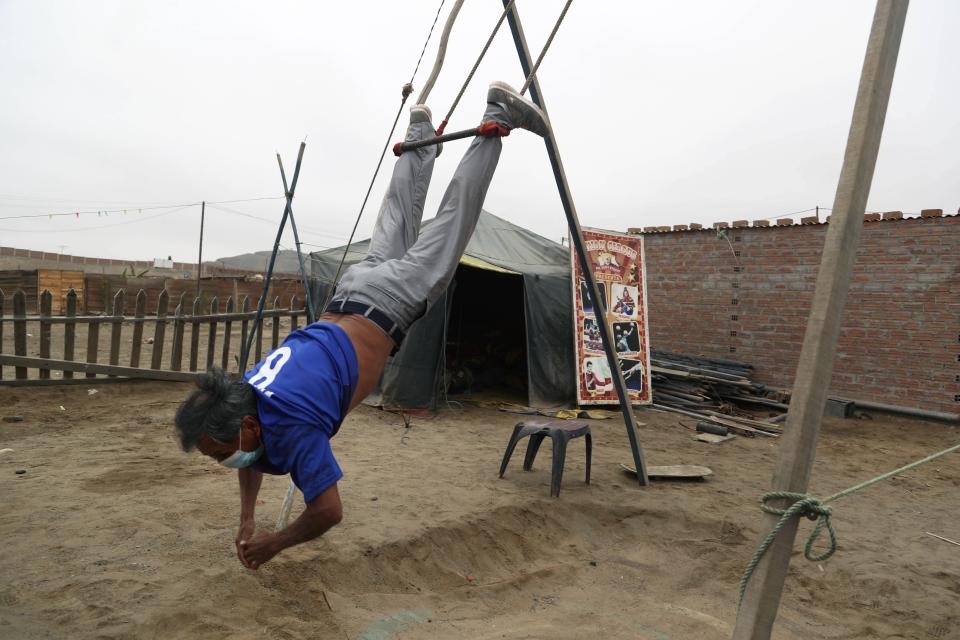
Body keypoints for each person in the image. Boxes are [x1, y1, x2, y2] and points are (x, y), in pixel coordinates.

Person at [173, 82, 548, 570]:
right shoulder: (249, 393)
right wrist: (247, 517)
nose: (225, 461)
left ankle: (497, 119)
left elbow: (328, 512)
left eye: (220, 453)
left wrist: (275, 543)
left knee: (452, 221)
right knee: (396, 217)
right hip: (351, 290)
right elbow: (252, 455)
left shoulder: (293, 426)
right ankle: (419, 131)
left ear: (245, 425)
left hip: (386, 304)